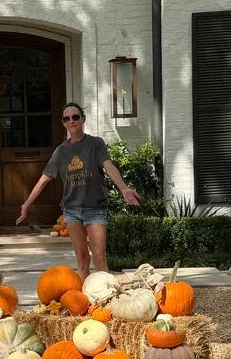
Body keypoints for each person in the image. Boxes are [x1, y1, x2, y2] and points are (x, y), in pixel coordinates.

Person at [15, 103, 139, 276]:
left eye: (75, 117)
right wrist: (27, 204)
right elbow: (44, 179)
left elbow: (109, 167)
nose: (71, 121)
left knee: (99, 258)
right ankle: (84, 300)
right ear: (63, 123)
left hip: (95, 208)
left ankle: (105, 298)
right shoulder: (61, 151)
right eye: (67, 118)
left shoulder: (96, 144)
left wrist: (124, 189)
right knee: (81, 259)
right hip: (72, 210)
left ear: (83, 120)